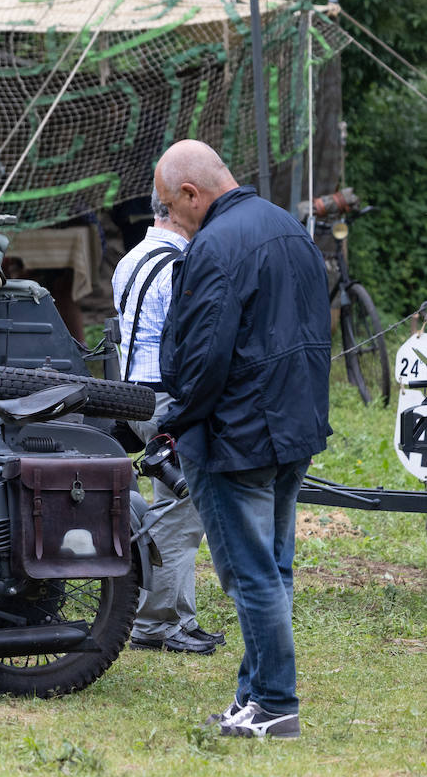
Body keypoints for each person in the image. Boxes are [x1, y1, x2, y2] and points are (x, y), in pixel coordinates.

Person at [156, 139, 331, 738]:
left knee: (251, 574)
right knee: (274, 569)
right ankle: (253, 698)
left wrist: (173, 419)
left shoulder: (214, 245)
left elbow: (202, 356)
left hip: (237, 436)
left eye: (168, 207)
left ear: (190, 194)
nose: (167, 220)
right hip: (293, 429)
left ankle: (276, 703)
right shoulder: (289, 228)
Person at [113, 189, 223, 655]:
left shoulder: (132, 258)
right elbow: (189, 346)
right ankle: (156, 623)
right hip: (164, 397)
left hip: (135, 395)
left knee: (174, 505)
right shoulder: (178, 267)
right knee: (182, 514)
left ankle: (177, 617)